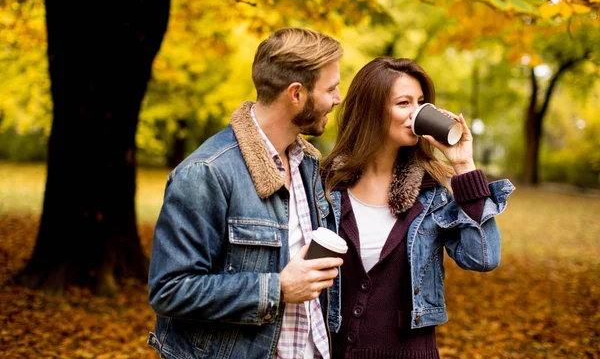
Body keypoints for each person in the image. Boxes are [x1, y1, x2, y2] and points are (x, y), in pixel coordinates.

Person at [147, 27, 345, 359]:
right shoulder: (206, 174)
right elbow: (170, 290)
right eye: (331, 88)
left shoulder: (308, 164)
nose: (337, 99)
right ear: (296, 93)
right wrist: (277, 289)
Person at [320, 57, 515, 359]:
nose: (417, 113)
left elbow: (483, 258)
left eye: (421, 102)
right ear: (370, 109)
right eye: (404, 103)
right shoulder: (326, 187)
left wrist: (463, 164)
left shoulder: (433, 192)